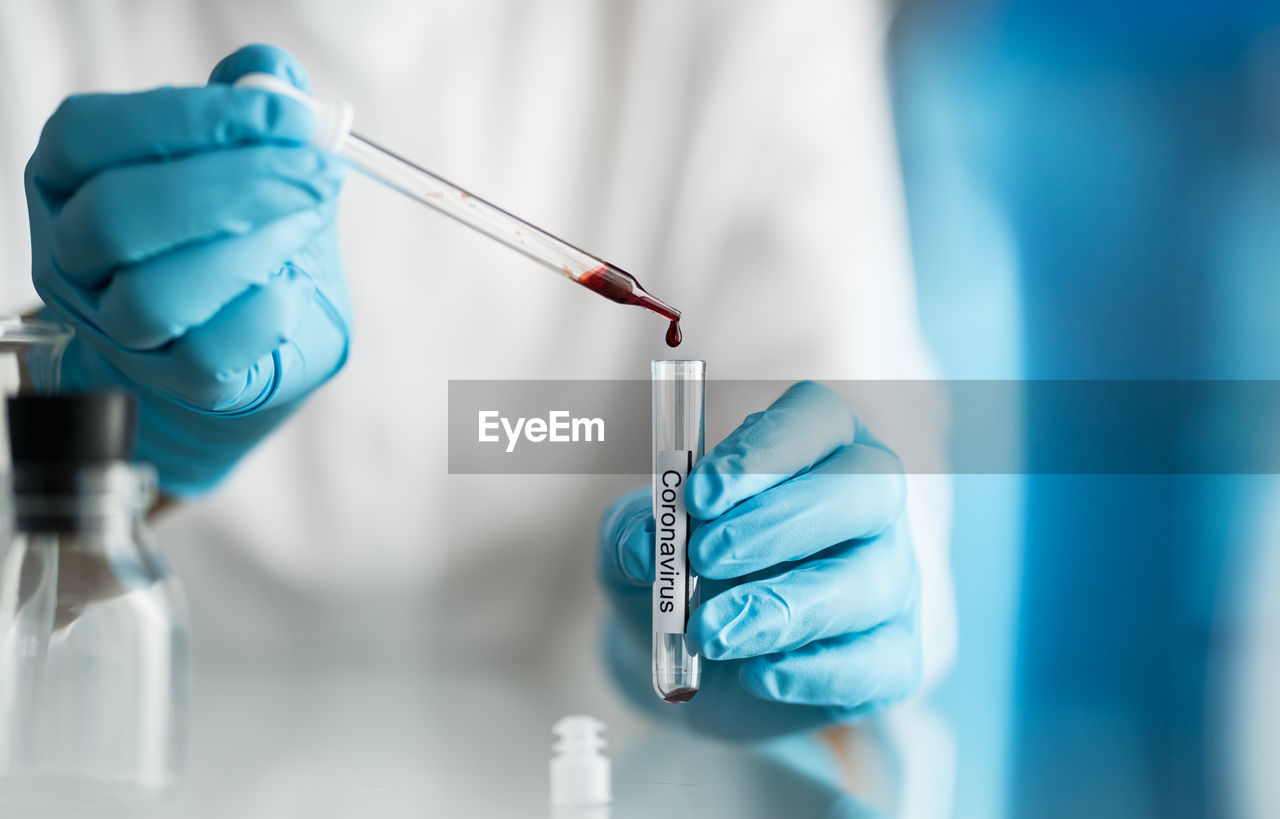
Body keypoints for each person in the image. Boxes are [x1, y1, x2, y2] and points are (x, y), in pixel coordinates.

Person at [4, 3, 954, 749]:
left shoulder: (756, 23)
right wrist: (87, 444)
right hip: (116, 751)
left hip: (589, 778)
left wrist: (796, 568)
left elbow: (844, 404)